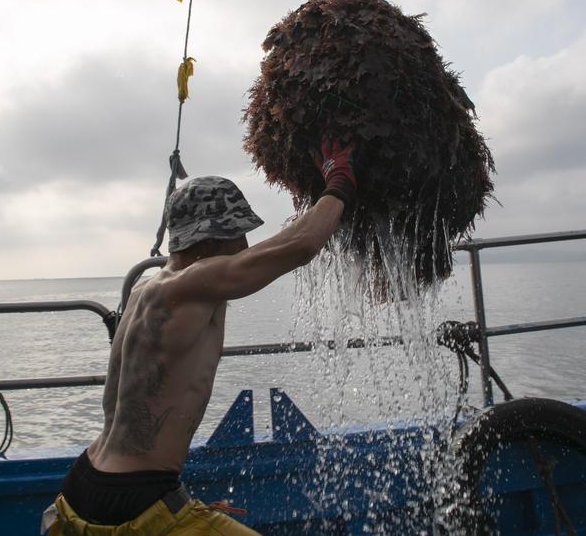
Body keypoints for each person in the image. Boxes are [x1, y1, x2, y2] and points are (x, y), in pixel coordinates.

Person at [42, 139, 358, 535]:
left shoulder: (145, 289)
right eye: (239, 234)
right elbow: (300, 245)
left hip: (83, 486)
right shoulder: (193, 283)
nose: (245, 246)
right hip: (139, 503)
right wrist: (339, 182)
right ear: (210, 240)